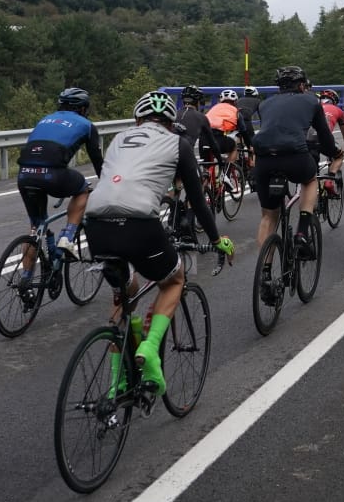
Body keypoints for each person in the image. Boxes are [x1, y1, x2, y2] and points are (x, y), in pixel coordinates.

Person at [84, 91, 234, 397]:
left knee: (124, 298)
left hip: (96, 223)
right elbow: (197, 200)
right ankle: (150, 349)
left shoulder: (118, 139)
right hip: (139, 223)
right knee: (173, 279)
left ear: (137, 120)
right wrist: (217, 240)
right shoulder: (177, 143)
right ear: (170, 123)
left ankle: (116, 385)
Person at [16, 88, 104, 289]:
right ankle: (67, 236)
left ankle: (26, 280)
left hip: (24, 174)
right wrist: (107, 184)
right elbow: (97, 161)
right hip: (53, 175)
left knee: (35, 228)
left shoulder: (45, 119)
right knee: (83, 189)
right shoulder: (87, 125)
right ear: (82, 108)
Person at [251, 66, 336, 268]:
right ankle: (302, 232)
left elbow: (274, 129)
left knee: (268, 216)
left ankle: (264, 271)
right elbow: (324, 136)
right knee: (310, 180)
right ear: (301, 85)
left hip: (264, 159)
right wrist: (334, 153)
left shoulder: (265, 104)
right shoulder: (311, 101)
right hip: (294, 155)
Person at [204, 88, 254, 175]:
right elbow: (244, 132)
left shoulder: (213, 108)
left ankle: (205, 182)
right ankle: (226, 175)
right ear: (235, 102)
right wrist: (249, 147)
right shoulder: (235, 111)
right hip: (218, 139)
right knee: (233, 147)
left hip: (203, 139)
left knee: (207, 166)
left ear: (221, 100)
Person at [317, 89, 344, 198]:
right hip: (324, 139)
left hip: (305, 139)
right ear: (334, 101)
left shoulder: (311, 107)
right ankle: (329, 179)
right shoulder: (337, 110)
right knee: (339, 156)